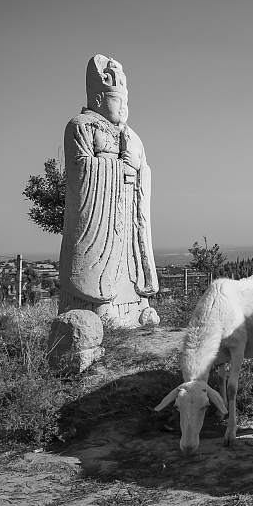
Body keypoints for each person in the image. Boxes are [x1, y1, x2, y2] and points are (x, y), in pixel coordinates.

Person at [58, 55, 160, 326]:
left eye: (127, 102)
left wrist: (139, 170)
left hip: (128, 211)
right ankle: (97, 303)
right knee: (104, 260)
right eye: (118, 100)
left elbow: (144, 171)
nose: (124, 108)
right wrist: (117, 166)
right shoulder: (81, 125)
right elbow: (80, 170)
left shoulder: (133, 136)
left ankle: (137, 304)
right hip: (100, 217)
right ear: (99, 98)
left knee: (130, 257)